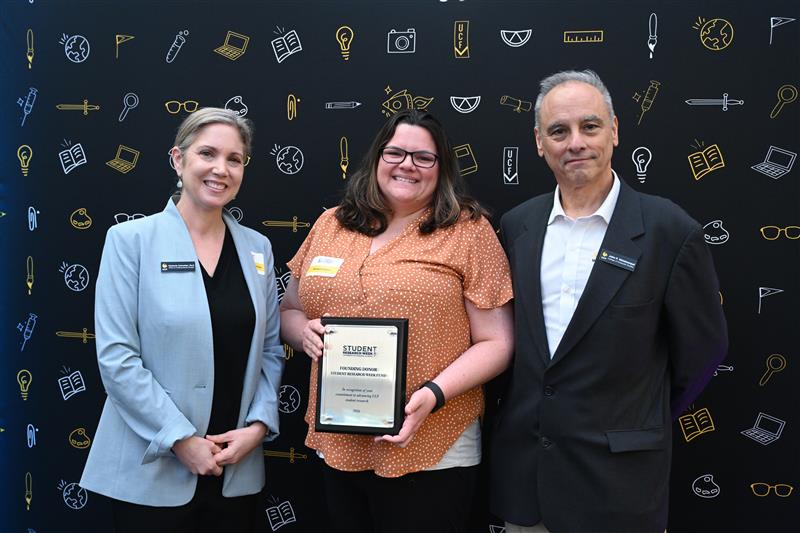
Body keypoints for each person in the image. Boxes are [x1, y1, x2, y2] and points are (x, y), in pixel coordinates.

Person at [490, 70, 729, 533]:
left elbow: (703, 354)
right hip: (528, 490)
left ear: (615, 131)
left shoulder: (670, 231)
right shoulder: (517, 227)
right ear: (539, 142)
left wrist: (634, 416)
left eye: (590, 126)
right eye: (559, 131)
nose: (575, 142)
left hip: (619, 490)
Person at [280, 109, 514, 533]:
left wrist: (433, 395)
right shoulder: (331, 225)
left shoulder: (468, 232)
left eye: (424, 157)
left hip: (433, 441)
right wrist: (301, 332)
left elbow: (497, 342)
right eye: (396, 152)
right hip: (341, 439)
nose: (407, 164)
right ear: (376, 159)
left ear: (441, 170)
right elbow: (290, 310)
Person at [80, 108, 284, 532]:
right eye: (207, 153)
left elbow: (268, 350)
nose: (220, 169)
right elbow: (117, 358)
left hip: (235, 469)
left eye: (234, 159)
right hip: (152, 471)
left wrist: (259, 427)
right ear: (178, 159)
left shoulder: (257, 249)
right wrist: (179, 438)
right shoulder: (130, 241)